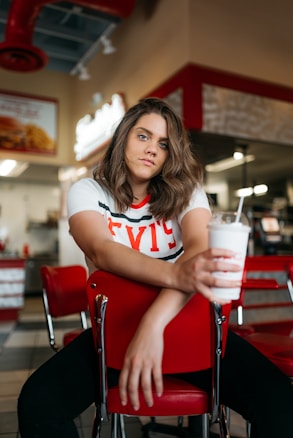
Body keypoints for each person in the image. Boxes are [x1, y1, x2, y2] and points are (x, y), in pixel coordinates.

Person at [18, 97, 293, 438]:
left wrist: (153, 323)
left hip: (194, 332)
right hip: (115, 335)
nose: (152, 149)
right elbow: (102, 250)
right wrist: (176, 274)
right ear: (123, 138)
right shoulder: (88, 190)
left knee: (283, 406)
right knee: (38, 403)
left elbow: (197, 249)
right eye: (143, 136)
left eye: (163, 144)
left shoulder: (188, 191)